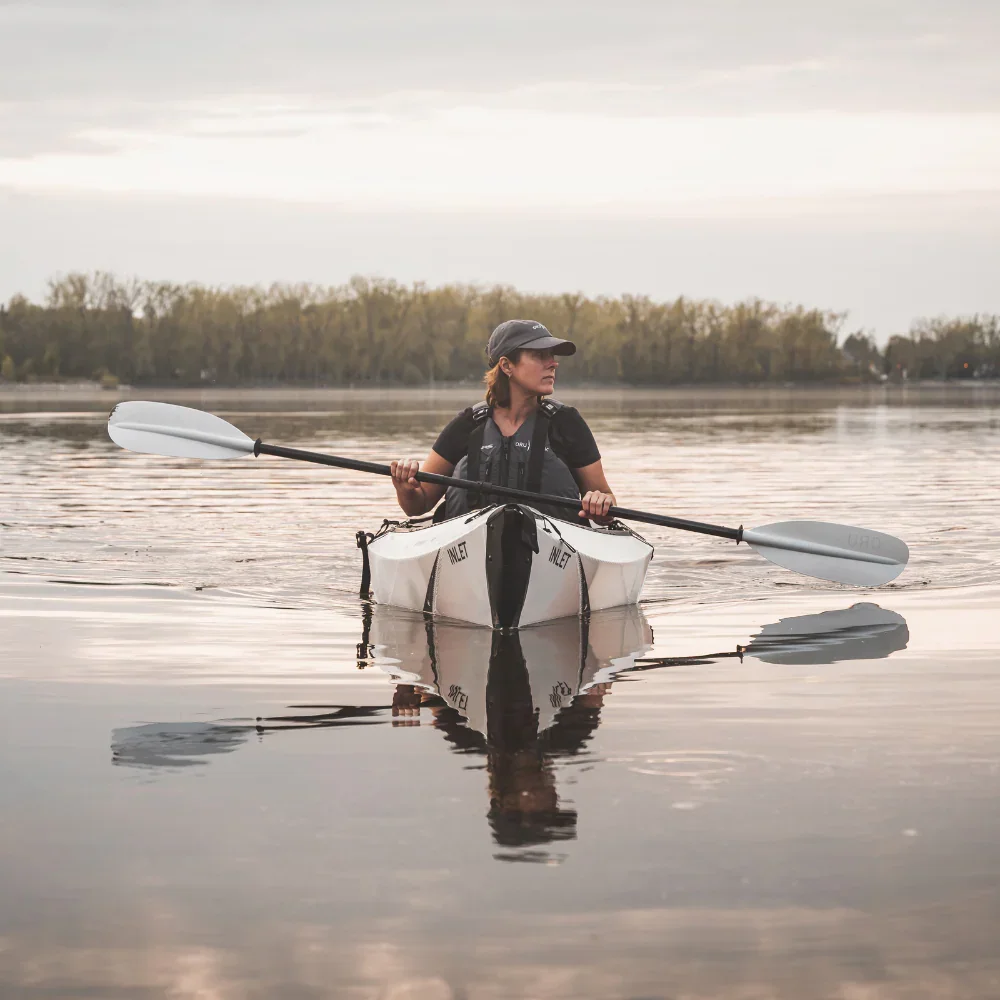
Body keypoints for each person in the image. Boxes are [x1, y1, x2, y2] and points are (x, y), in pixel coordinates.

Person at [390, 319, 616, 523]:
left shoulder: (567, 424)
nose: (553, 363)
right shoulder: (467, 425)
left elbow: (607, 503)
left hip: (553, 554)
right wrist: (405, 488)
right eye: (539, 355)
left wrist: (601, 503)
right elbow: (418, 505)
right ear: (507, 365)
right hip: (472, 553)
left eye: (552, 356)